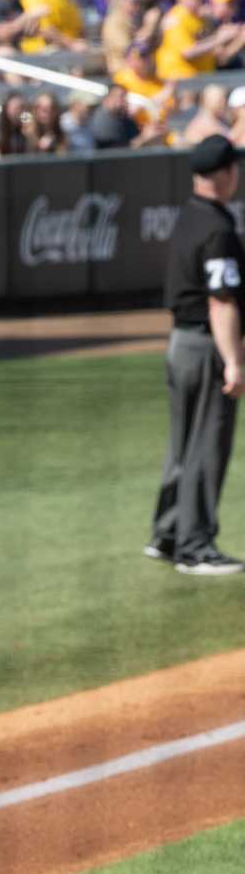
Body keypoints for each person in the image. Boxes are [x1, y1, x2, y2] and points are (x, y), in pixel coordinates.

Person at [151, 135, 245, 573]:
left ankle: (168, 534)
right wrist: (234, 361)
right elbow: (221, 300)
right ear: (224, 173)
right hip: (206, 346)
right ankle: (196, 547)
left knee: (182, 444)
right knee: (208, 444)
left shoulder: (189, 215)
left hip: (178, 345)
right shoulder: (218, 228)